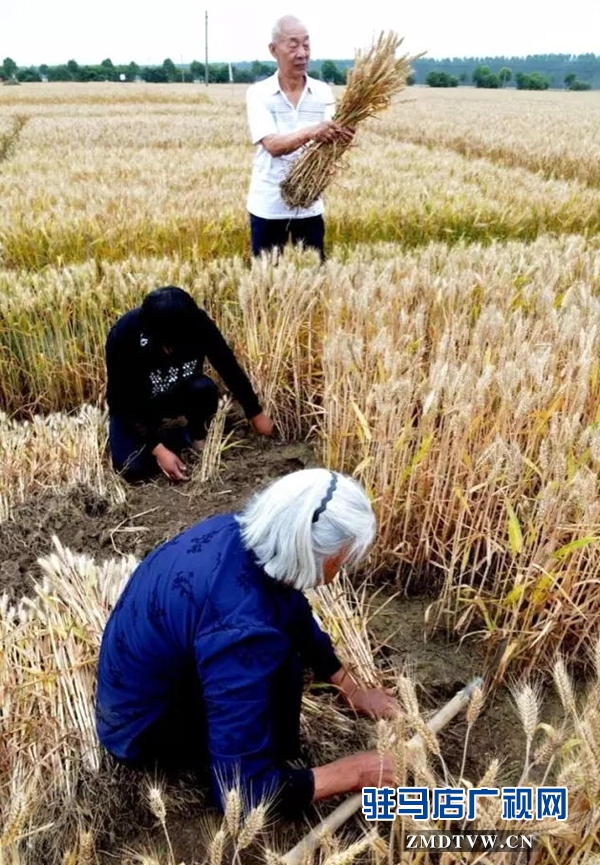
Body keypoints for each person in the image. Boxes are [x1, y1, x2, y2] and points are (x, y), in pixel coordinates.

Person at [95, 468, 399, 818]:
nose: (341, 569)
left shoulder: (241, 534)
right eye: (341, 560)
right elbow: (243, 795)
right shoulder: (244, 633)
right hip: (142, 732)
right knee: (278, 664)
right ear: (313, 552)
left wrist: (350, 687)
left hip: (134, 691)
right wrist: (354, 773)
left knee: (278, 655)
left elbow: (291, 609)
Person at [105, 286, 273, 482]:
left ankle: (193, 435)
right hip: (137, 405)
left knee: (204, 388)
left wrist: (255, 412)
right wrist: (157, 449)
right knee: (132, 470)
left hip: (180, 393)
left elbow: (227, 365)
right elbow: (121, 400)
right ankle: (165, 443)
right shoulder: (125, 334)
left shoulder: (197, 323)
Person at [246, 15, 354, 260]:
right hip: (269, 205)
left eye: (306, 44)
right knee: (266, 283)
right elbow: (272, 145)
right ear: (273, 50)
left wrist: (344, 137)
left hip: (309, 206)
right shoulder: (259, 94)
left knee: (313, 282)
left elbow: (332, 145)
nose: (302, 53)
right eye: (293, 45)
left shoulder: (322, 92)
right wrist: (313, 131)